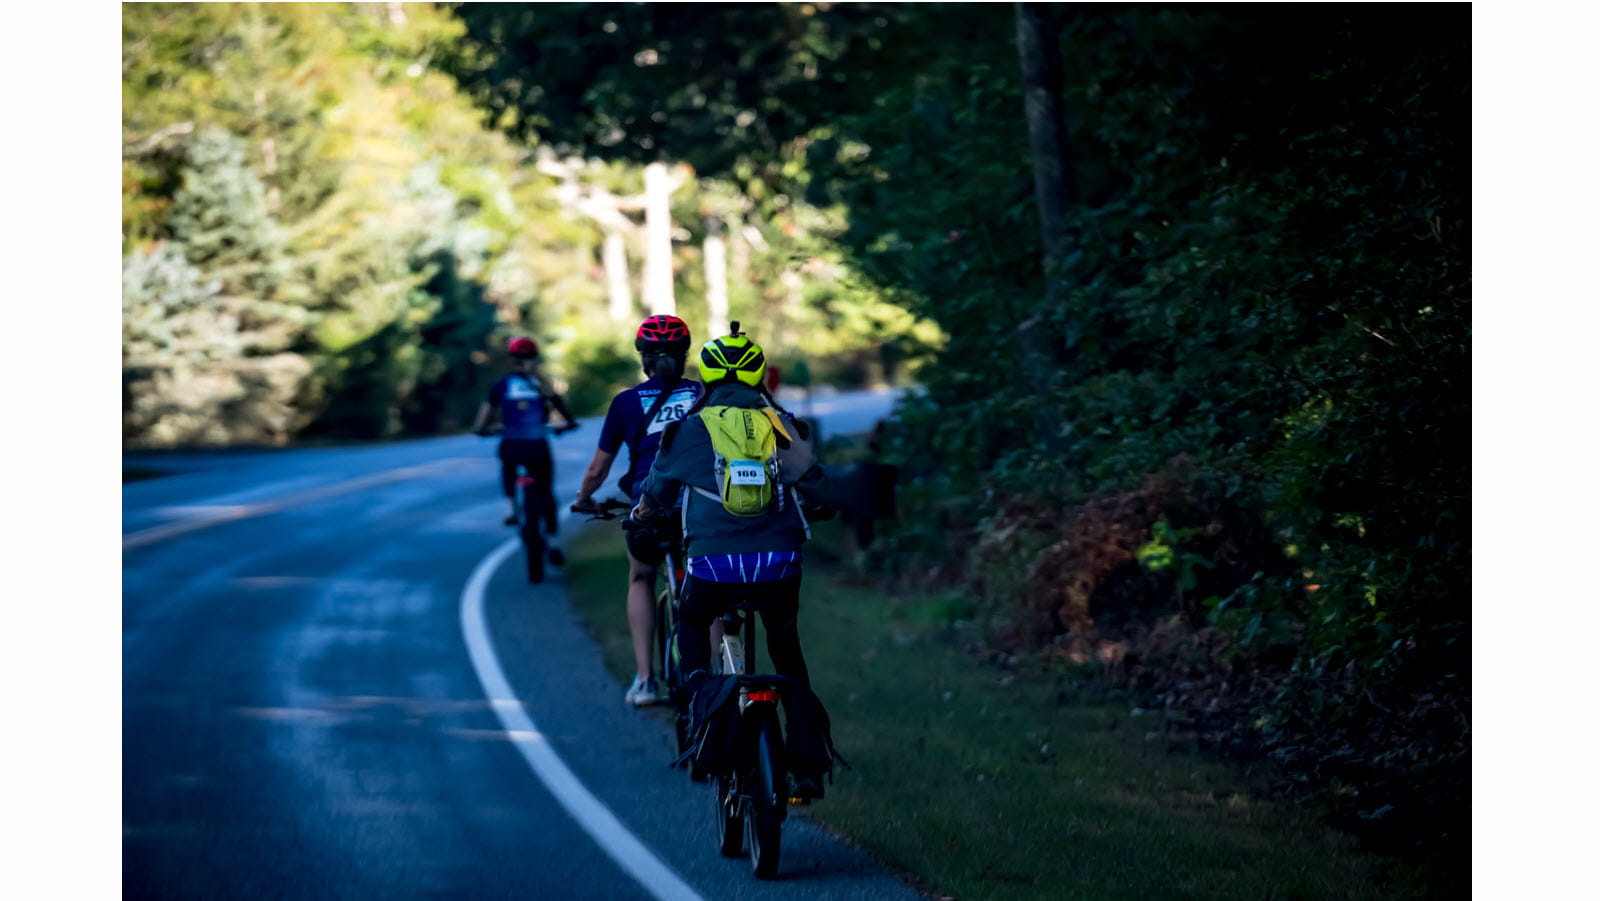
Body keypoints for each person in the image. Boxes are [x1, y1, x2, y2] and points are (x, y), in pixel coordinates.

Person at [631, 325, 834, 798]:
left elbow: (655, 492)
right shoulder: (783, 424)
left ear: (708, 373)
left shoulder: (687, 429)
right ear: (758, 372)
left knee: (692, 619)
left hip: (712, 567)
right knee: (787, 652)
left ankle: (703, 712)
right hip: (781, 564)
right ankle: (806, 764)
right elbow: (816, 484)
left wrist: (642, 515)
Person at [572, 315, 703, 707]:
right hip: (698, 512)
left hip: (650, 512)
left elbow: (599, 469)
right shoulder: (704, 395)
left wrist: (583, 499)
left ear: (644, 359)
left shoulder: (626, 403)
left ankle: (645, 680)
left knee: (641, 578)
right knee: (709, 587)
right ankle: (712, 675)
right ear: (684, 357)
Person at [472, 336, 579, 562]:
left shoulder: (501, 385)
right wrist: (567, 424)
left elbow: (482, 420)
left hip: (511, 444)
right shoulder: (541, 384)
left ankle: (510, 507)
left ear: (512, 360)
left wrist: (483, 430)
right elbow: (564, 411)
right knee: (546, 491)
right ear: (535, 359)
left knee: (508, 466)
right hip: (537, 446)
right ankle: (552, 541)